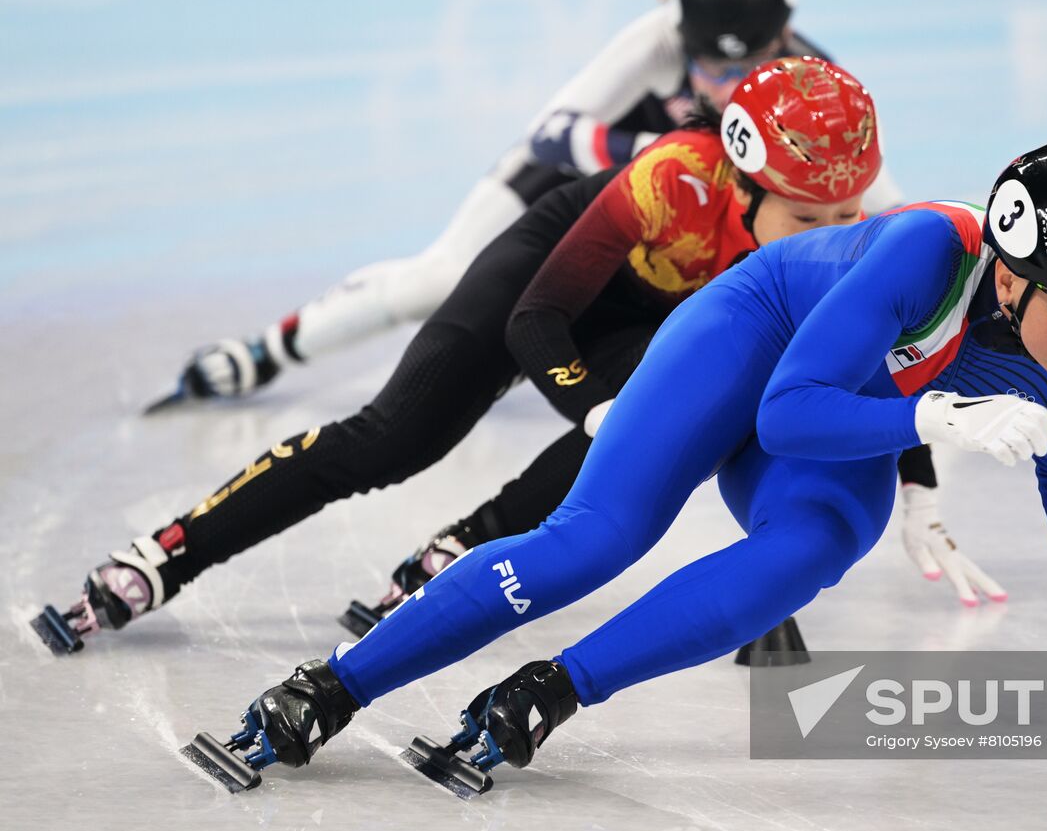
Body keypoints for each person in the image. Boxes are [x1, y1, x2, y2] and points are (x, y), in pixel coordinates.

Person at [192, 140, 1047, 787]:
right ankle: (330, 685)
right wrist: (935, 421)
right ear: (1007, 271)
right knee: (592, 542)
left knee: (814, 548)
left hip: (841, 400)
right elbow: (790, 412)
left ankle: (548, 690)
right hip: (748, 345)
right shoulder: (921, 252)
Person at [34, 57, 980, 659]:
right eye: (809, 220)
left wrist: (916, 479)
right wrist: (595, 408)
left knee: (657, 429)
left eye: (850, 217)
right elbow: (538, 322)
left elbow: (865, 369)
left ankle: (460, 546)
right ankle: (164, 555)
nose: (836, 237)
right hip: (551, 286)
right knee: (392, 440)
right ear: (741, 179)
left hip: (669, 322)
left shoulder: (848, 237)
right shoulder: (670, 183)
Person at [156, 0, 900, 406]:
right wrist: (674, 155)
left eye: (752, 62)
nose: (726, 83)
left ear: (788, 36)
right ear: (681, 34)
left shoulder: (814, 87)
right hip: (584, 179)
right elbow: (551, 133)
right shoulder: (654, 43)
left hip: (672, 201)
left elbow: (879, 210)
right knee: (438, 279)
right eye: (707, 63)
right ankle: (268, 351)